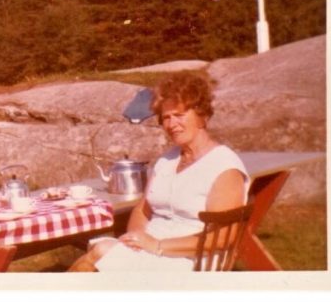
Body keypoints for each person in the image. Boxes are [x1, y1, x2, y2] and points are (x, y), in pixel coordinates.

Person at [69, 73, 249, 272]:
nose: (171, 125)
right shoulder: (167, 161)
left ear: (202, 116)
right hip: (152, 248)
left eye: (179, 115)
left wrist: (157, 246)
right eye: (166, 118)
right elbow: (143, 209)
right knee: (98, 255)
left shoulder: (223, 167)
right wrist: (136, 237)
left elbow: (222, 238)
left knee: (98, 254)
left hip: (192, 260)